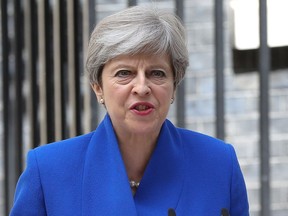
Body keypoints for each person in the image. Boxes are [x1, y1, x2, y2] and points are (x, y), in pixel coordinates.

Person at [10, 6, 249, 216]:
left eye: (157, 73)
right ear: (98, 88)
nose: (142, 87)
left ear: (174, 86)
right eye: (124, 73)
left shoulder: (219, 163)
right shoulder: (48, 170)